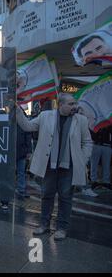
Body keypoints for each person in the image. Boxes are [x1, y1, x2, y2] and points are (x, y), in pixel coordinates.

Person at [16, 93, 93, 240]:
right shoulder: (46, 116)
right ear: (61, 104)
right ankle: (44, 225)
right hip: (48, 166)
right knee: (46, 196)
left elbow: (87, 142)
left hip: (69, 167)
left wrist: (82, 159)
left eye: (74, 103)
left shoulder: (81, 120)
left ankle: (61, 228)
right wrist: (17, 110)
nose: (74, 107)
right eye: (70, 104)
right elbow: (27, 126)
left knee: (65, 198)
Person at [16, 122, 32, 198]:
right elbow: (28, 136)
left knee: (21, 172)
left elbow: (28, 136)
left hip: (20, 150)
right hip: (20, 150)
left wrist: (29, 150)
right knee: (21, 172)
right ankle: (21, 189)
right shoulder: (22, 119)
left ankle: (21, 189)